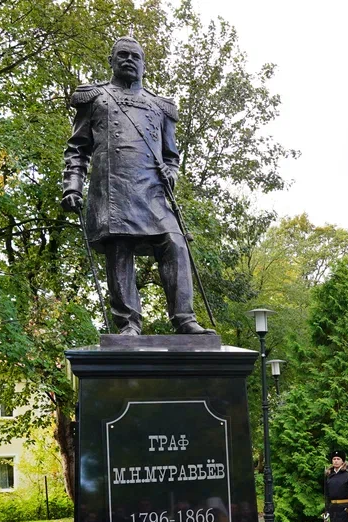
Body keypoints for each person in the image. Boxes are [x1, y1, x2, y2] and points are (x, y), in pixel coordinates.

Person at [61, 37, 214, 336]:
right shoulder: (94, 98)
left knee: (175, 242)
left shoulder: (160, 106)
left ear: (144, 64)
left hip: (152, 191)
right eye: (123, 55)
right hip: (113, 190)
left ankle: (184, 319)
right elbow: (77, 148)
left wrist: (171, 173)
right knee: (120, 249)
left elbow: (171, 156)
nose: (129, 60)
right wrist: (72, 186)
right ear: (112, 60)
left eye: (135, 56)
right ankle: (128, 324)